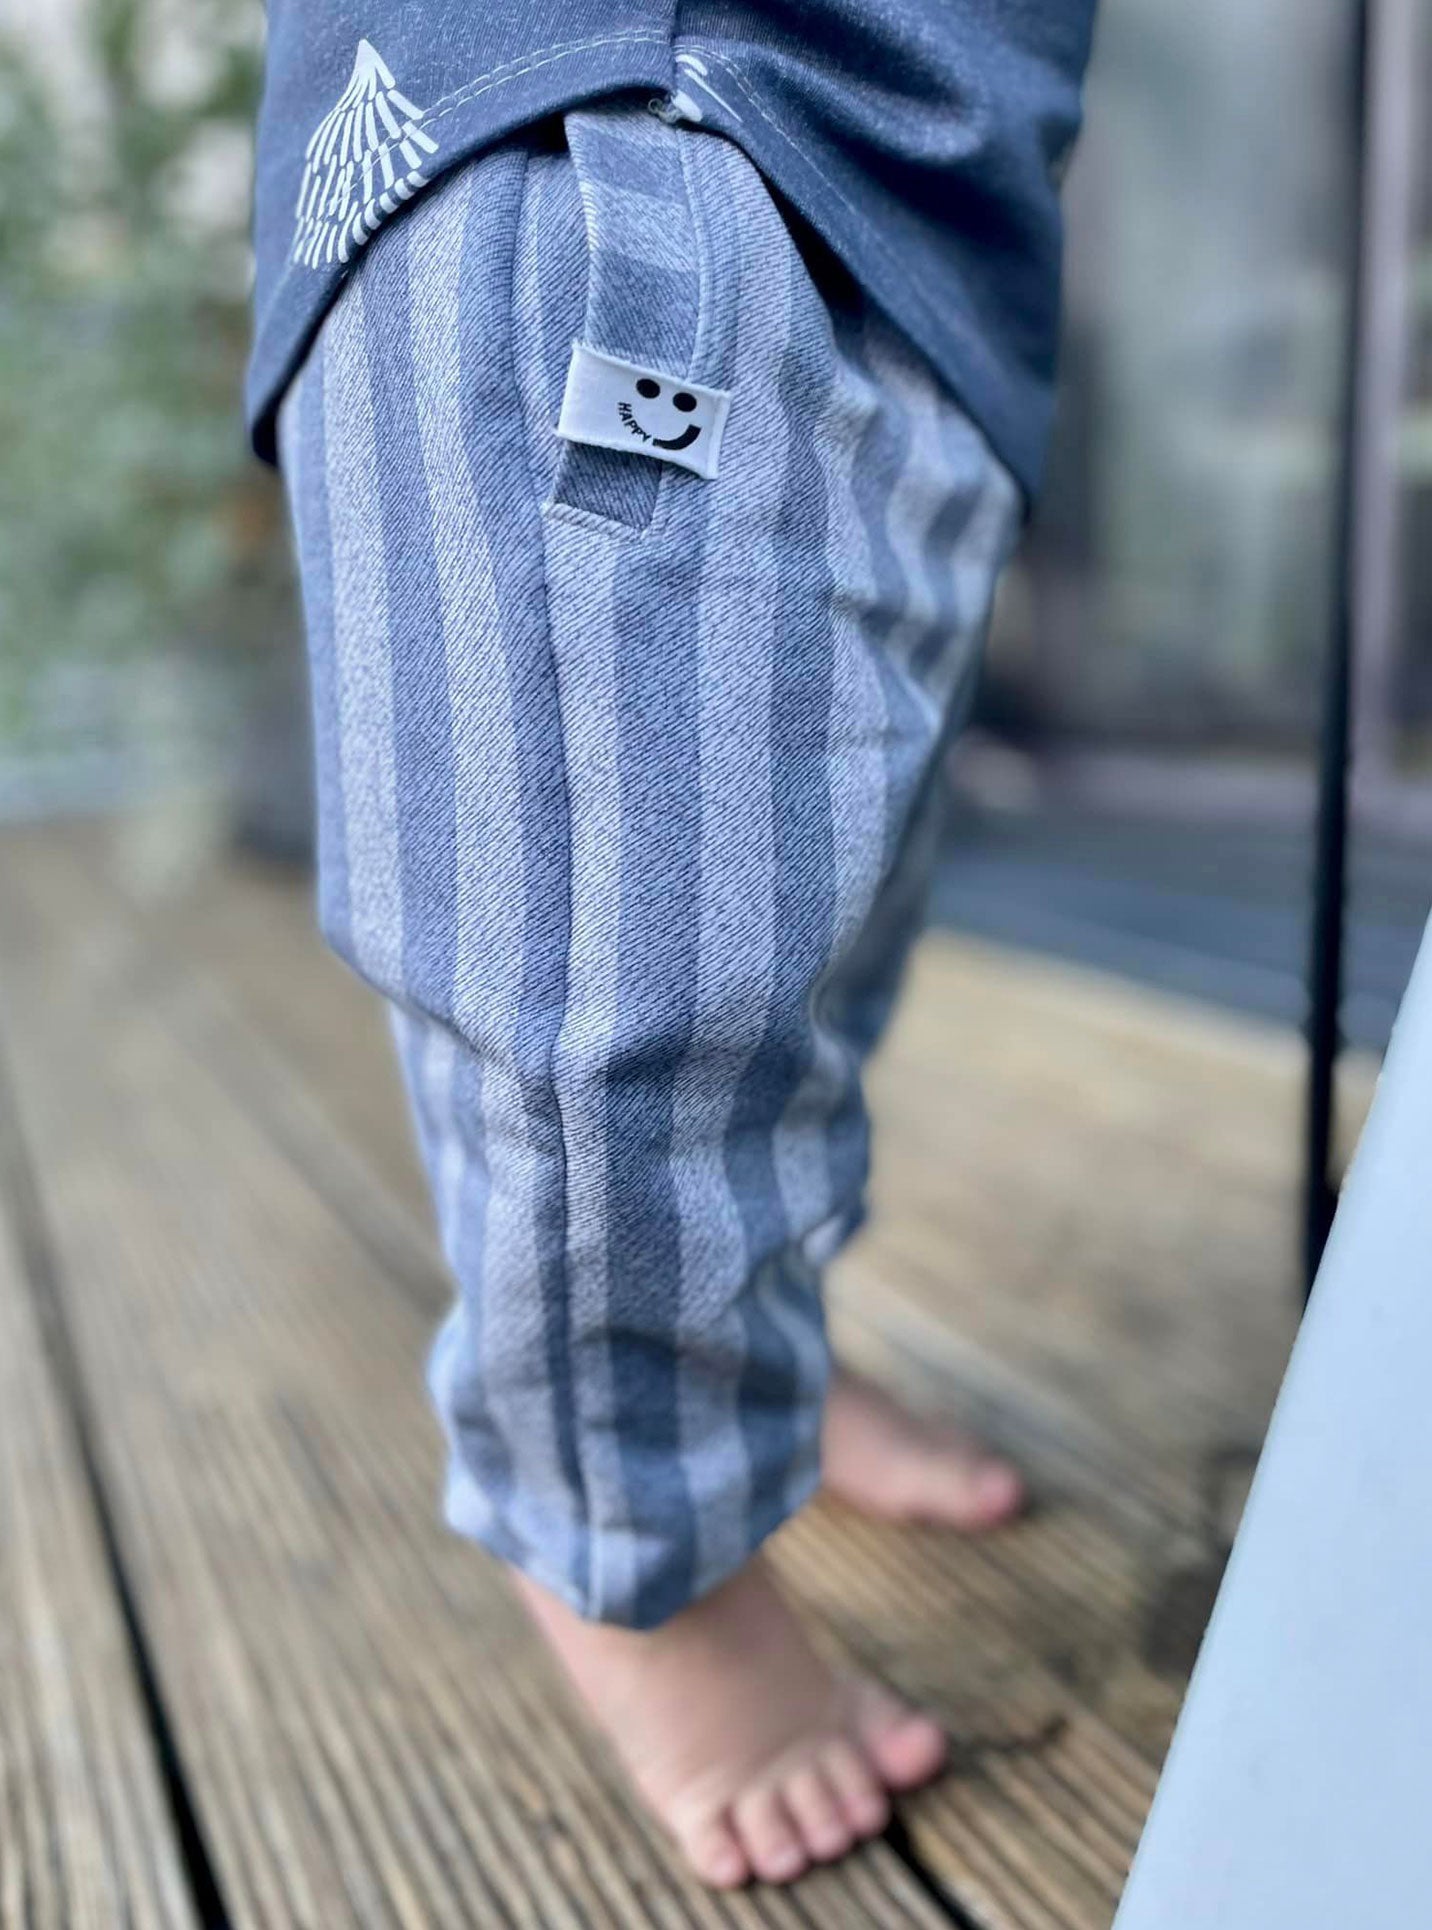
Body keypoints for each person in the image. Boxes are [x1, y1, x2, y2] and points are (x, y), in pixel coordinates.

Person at [250, 0, 1096, 1890]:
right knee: (629, 958)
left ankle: (757, 1375)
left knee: (812, 896)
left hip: (919, 183)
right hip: (625, 95)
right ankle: (638, 1555)